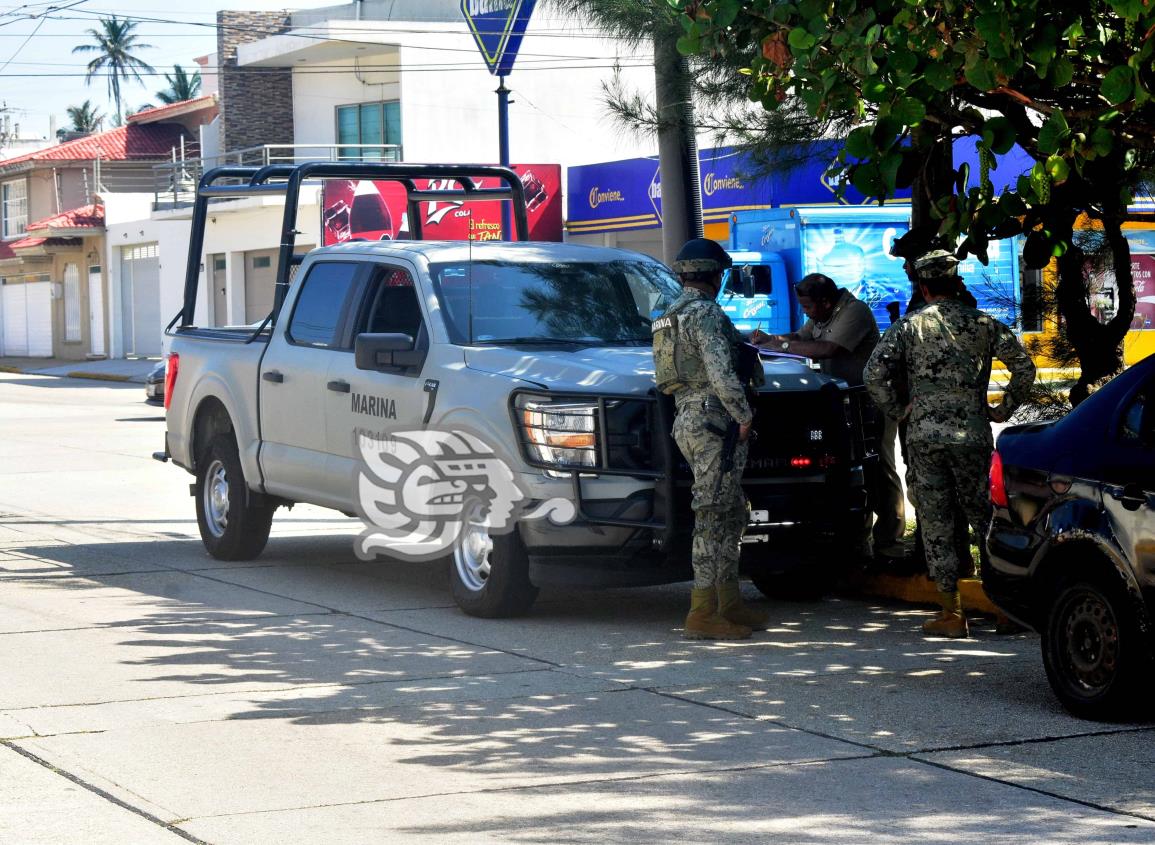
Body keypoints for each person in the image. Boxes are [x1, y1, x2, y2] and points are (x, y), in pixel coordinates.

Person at [864, 249, 1035, 638]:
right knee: (986, 519)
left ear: (923, 287)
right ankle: (1006, 609)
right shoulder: (984, 324)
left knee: (936, 519)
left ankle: (951, 613)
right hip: (972, 433)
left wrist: (898, 409)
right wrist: (1003, 407)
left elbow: (873, 373)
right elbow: (1024, 366)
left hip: (923, 435)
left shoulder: (909, 327)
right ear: (957, 283)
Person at [653, 237, 768, 640]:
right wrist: (743, 415)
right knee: (713, 516)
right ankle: (702, 612)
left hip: (689, 416)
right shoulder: (706, 314)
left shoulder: (668, 315)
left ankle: (729, 602)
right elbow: (721, 372)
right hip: (714, 420)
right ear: (715, 276)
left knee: (730, 511)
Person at [753, 273, 905, 560]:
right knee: (850, 469)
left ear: (824, 300)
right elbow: (802, 336)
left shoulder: (853, 311)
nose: (806, 312)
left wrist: (781, 346)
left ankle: (890, 538)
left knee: (879, 468)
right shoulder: (823, 313)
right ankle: (860, 540)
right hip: (843, 403)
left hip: (871, 400)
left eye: (808, 307)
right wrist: (770, 339)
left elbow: (826, 349)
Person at [888, 229, 978, 575]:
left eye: (909, 262)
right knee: (930, 491)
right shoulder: (930, 304)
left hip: (934, 415)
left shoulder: (945, 307)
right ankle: (937, 554)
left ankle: (950, 559)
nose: (906, 269)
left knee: (945, 493)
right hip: (930, 413)